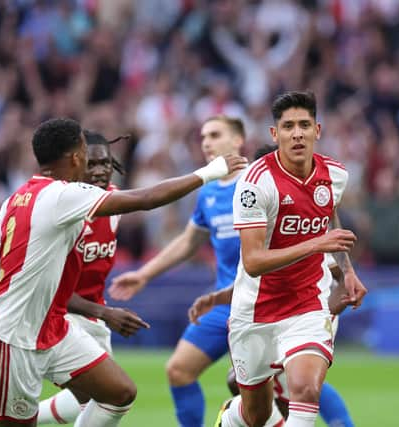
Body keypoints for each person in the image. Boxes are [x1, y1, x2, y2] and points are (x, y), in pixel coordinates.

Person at [0, 117, 247, 427]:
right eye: (88, 153)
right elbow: (147, 199)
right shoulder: (65, 196)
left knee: (119, 394)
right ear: (76, 156)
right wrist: (214, 170)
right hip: (11, 336)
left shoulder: (22, 196)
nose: (95, 163)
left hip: (52, 326)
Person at [109, 118, 358, 427]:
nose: (206, 143)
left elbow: (317, 231)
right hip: (229, 300)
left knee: (294, 379)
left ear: (239, 141)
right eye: (202, 136)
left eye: (215, 135)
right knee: (179, 370)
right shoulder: (209, 193)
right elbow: (189, 241)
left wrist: (341, 272)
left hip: (276, 299)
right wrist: (144, 274)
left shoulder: (262, 185)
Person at [218, 91, 366, 427]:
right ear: (275, 134)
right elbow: (253, 261)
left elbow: (330, 217)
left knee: (305, 389)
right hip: (255, 310)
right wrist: (317, 244)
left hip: (307, 304)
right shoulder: (255, 184)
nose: (296, 133)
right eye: (288, 127)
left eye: (304, 125)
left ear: (318, 130)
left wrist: (347, 271)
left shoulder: (336, 175)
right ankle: (231, 417)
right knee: (255, 415)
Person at [36, 129, 140, 425]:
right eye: (91, 164)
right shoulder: (60, 212)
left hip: (93, 315)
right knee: (111, 396)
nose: (98, 171)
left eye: (104, 163)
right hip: (59, 316)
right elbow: (51, 287)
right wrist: (106, 313)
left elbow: (149, 199)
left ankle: (20, 420)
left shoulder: (115, 202)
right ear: (76, 164)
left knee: (103, 397)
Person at [188, 253, 358, 424]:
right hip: (273, 323)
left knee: (301, 390)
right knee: (253, 393)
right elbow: (253, 280)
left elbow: (344, 276)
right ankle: (233, 416)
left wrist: (316, 318)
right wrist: (216, 298)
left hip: (305, 325)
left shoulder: (311, 236)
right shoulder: (262, 237)